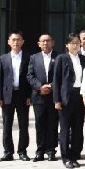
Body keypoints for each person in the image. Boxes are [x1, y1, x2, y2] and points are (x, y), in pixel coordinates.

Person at [52, 33, 85, 169]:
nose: (75, 45)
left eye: (77, 42)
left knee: (78, 127)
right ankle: (66, 157)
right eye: (72, 43)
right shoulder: (61, 58)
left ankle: (74, 155)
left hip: (80, 95)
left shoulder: (83, 59)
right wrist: (57, 100)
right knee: (65, 128)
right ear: (67, 45)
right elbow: (56, 80)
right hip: (66, 97)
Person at [0, 31, 31, 162]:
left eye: (18, 39)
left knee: (24, 125)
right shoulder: (2, 59)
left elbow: (30, 78)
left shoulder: (29, 58)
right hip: (7, 96)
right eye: (13, 40)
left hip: (23, 95)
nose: (16, 42)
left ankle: (22, 151)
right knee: (7, 125)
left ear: (23, 42)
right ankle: (8, 152)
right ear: (9, 42)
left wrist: (29, 95)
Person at [26, 33, 58, 162]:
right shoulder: (34, 58)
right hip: (39, 96)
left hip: (53, 96)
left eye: (48, 41)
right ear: (39, 44)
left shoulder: (59, 57)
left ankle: (51, 150)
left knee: (52, 123)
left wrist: (50, 86)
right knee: (39, 124)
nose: (45, 43)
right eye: (43, 41)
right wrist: (40, 87)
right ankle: (40, 151)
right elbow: (30, 75)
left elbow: (61, 75)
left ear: (52, 43)